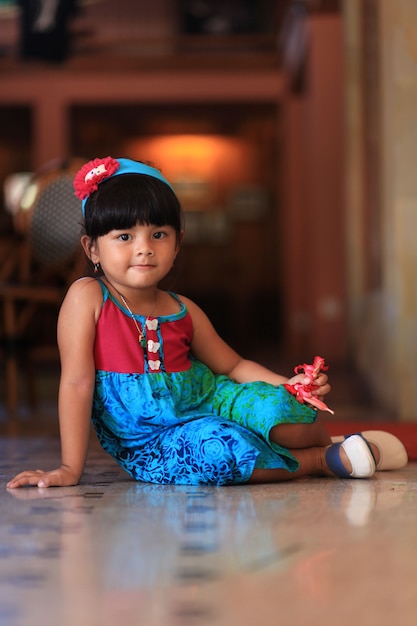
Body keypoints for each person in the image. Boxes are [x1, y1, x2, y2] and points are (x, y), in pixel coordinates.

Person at [7, 157, 408, 489]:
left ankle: (334, 444)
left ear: (177, 242)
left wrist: (291, 386)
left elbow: (233, 368)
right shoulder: (88, 298)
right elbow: (76, 382)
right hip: (154, 440)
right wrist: (69, 468)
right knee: (219, 447)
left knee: (279, 408)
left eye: (158, 234)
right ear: (92, 247)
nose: (144, 248)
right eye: (124, 236)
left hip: (208, 398)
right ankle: (323, 459)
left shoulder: (183, 309)